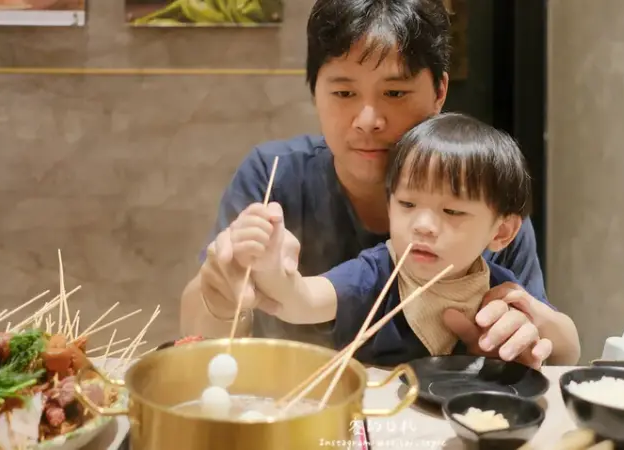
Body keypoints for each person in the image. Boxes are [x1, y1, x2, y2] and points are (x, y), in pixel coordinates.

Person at [179, 0, 572, 366]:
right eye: (344, 92)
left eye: (395, 92)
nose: (368, 119)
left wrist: (531, 328)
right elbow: (202, 343)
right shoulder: (275, 174)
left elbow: (563, 351)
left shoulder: (480, 196)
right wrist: (222, 294)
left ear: (439, 92)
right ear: (314, 92)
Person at [232, 113, 580, 367]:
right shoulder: (376, 273)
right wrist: (270, 267)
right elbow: (301, 301)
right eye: (408, 204)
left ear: (501, 232)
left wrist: (537, 322)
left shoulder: (498, 288)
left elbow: (569, 350)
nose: (424, 225)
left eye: (453, 212)